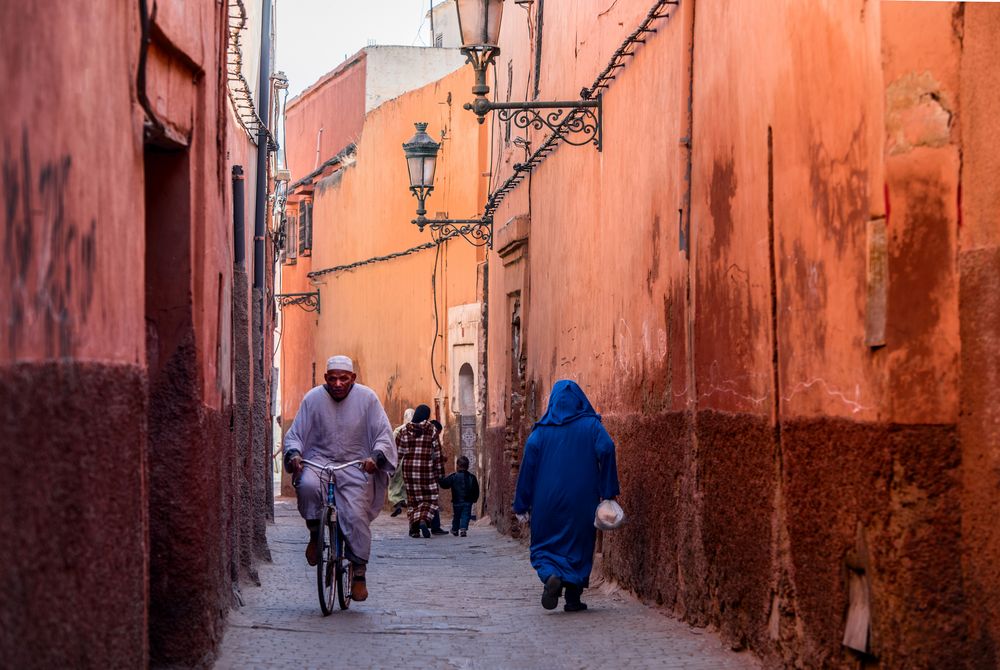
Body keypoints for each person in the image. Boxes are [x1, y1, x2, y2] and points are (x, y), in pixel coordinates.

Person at [283, 355, 397, 602]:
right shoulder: (312, 399)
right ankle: (315, 534)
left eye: (343, 378)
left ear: (353, 378)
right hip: (318, 462)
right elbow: (295, 435)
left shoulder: (367, 399)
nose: (337, 383)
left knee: (356, 515)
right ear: (325, 378)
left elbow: (383, 436)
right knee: (307, 485)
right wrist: (294, 455)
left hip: (355, 464)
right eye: (332, 378)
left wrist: (375, 458)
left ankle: (358, 572)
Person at [512, 380, 620, 612]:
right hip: (582, 499)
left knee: (545, 544)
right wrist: (608, 490)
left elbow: (527, 469)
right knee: (578, 544)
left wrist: (521, 504)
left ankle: (551, 575)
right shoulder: (591, 426)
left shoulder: (540, 432)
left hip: (546, 501)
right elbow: (607, 448)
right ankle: (573, 598)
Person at [396, 404, 446, 538]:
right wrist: (440, 473)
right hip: (426, 471)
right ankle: (424, 519)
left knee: (413, 501)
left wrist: (391, 470)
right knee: (430, 499)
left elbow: (398, 453)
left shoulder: (404, 430)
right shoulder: (431, 429)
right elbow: (437, 453)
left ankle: (414, 530)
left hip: (409, 472)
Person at [439, 455, 480, 537]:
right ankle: (463, 529)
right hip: (468, 501)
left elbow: (444, 485)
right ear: (468, 466)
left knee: (456, 516)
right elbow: (476, 489)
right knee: (466, 515)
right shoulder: (472, 477)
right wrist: (474, 499)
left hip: (457, 501)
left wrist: (440, 478)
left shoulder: (453, 476)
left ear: (457, 466)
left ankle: (454, 529)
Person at [388, 408, 414, 517]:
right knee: (407, 484)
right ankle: (407, 503)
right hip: (412, 461)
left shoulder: (399, 430)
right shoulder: (418, 429)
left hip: (399, 460)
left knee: (394, 484)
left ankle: (397, 503)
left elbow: (392, 445)